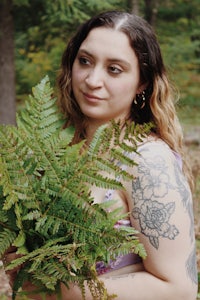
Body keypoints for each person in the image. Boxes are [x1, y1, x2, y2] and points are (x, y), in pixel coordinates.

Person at [4, 10, 198, 300]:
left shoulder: (147, 162)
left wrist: (63, 289)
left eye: (114, 69)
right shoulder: (59, 149)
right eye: (85, 61)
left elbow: (179, 289)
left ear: (142, 82)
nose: (92, 80)